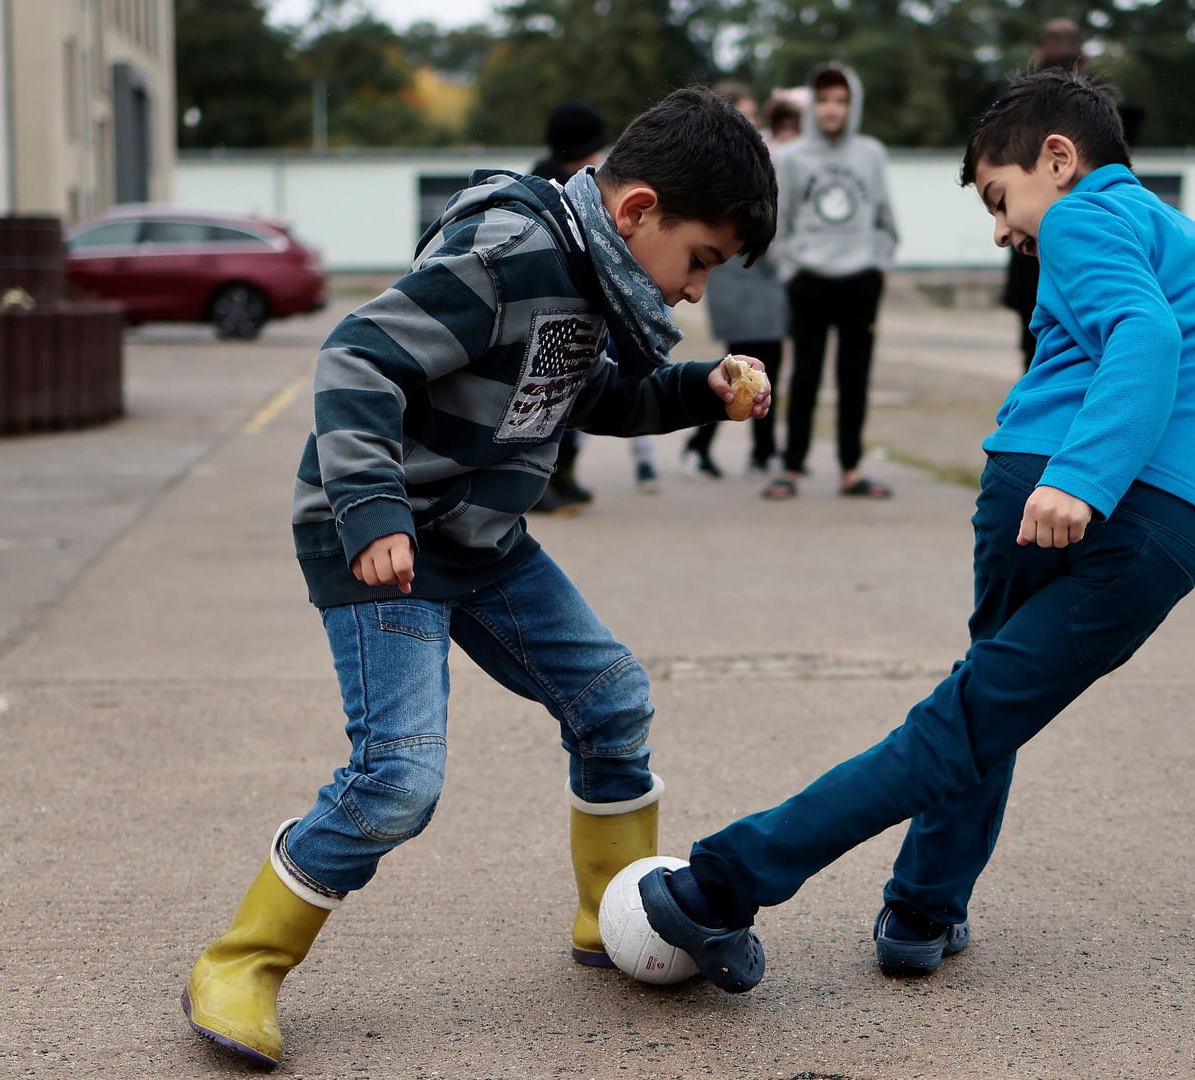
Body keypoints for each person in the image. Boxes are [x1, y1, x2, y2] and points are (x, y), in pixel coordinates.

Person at [179, 89, 777, 1067]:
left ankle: (615, 915)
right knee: (399, 781)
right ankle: (241, 963)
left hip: (481, 538)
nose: (695, 291)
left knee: (611, 697)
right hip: (379, 538)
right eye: (700, 260)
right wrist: (371, 512)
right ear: (637, 214)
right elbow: (357, 360)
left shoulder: (594, 283)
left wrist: (694, 390)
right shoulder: (511, 255)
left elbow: (592, 399)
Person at [634, 68, 1195, 993]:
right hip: (1149, 519)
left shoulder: (1082, 214)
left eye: (1001, 199)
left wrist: (1082, 478)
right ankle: (906, 908)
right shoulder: (1175, 231)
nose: (1003, 230)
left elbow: (1144, 337)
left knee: (970, 716)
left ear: (1059, 157)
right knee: (976, 715)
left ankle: (735, 888)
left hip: (1079, 491)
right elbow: (1163, 338)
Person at [762, 63, 898, 500]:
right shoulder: (795, 156)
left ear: (852, 104)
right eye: (824, 100)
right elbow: (780, 223)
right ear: (812, 104)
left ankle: (851, 469)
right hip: (810, 280)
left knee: (854, 377)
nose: (832, 109)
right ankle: (792, 466)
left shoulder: (871, 153)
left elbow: (885, 220)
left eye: (841, 100)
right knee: (804, 375)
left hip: (860, 279)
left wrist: (877, 265)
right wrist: (790, 270)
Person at [683, 81, 789, 479]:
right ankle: (700, 444)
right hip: (737, 277)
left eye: (756, 114)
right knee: (737, 368)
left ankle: (763, 450)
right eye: (744, 114)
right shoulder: (713, 168)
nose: (753, 124)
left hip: (768, 275)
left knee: (770, 364)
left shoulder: (764, 160)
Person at [526, 102, 613, 514]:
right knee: (551, 400)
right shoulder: (565, 187)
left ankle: (564, 477)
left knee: (569, 398)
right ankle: (540, 485)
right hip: (555, 311)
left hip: (569, 309)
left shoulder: (552, 176)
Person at [1001, 18, 1085, 371]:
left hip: (1034, 238)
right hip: (1077, 237)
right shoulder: (1095, 105)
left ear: (1037, 54)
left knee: (1034, 351)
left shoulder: (1013, 106)